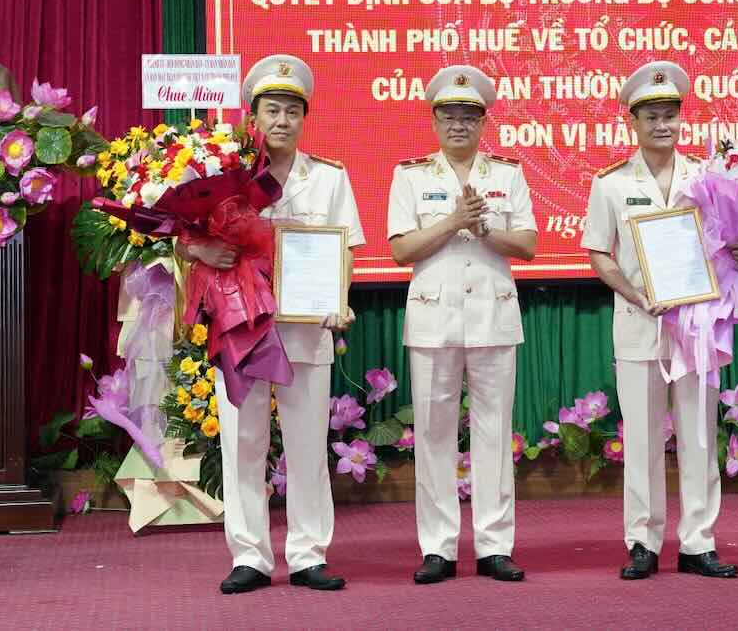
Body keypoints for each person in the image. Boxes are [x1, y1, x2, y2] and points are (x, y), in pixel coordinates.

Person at [179, 54, 363, 595]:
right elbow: (185, 235)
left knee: (307, 442)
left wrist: (340, 300)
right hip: (241, 326)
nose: (281, 121)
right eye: (271, 110)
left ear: (304, 118)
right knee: (243, 441)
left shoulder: (328, 177)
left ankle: (308, 553)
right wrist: (200, 249)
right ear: (252, 116)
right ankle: (250, 555)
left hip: (306, 326)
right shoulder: (222, 173)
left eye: (291, 111)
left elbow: (345, 246)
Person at [581, 60, 738, 581]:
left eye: (670, 116)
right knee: (640, 439)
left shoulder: (708, 180)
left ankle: (698, 542)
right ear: (632, 123)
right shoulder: (612, 184)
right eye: (651, 117)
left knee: (699, 435)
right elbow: (598, 253)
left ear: (681, 120)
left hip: (698, 326)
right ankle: (642, 542)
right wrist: (636, 294)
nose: (662, 125)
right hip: (640, 322)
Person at [387, 65, 537, 584]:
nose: (458, 125)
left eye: (468, 116)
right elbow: (400, 250)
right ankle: (439, 547)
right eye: (449, 116)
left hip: (494, 316)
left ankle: (495, 546)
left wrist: (484, 226)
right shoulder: (410, 175)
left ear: (483, 122)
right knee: (433, 432)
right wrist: (452, 221)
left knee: (494, 432)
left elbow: (529, 246)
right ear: (434, 120)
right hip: (433, 317)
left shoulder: (507, 174)